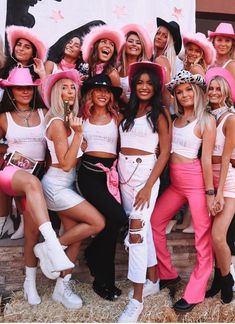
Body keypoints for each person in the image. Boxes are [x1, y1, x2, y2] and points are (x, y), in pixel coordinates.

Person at [0, 67, 74, 305]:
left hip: (37, 178)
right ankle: (52, 244)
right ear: (11, 91)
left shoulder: (45, 113)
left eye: (29, 88)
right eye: (19, 88)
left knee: (31, 233)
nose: (24, 92)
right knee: (31, 182)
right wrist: (8, 156)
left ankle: (29, 282)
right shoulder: (3, 117)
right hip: (13, 175)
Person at [151, 70, 216, 313]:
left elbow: (206, 159)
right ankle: (168, 274)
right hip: (176, 183)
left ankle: (195, 292)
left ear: (197, 92)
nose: (184, 94)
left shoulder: (206, 121)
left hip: (196, 181)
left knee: (202, 238)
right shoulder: (173, 119)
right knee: (154, 222)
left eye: (189, 89)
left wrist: (209, 193)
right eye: (179, 91)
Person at [40, 69, 105, 309]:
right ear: (57, 94)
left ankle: (61, 287)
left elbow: (72, 156)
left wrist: (80, 140)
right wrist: (78, 135)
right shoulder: (57, 123)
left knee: (76, 235)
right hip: (56, 187)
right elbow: (66, 164)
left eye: (72, 87)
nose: (69, 91)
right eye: (64, 87)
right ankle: (47, 248)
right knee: (97, 223)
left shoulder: (70, 120)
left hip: (67, 185)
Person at [117, 61, 171, 323]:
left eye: (150, 83)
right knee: (144, 229)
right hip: (122, 176)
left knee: (136, 233)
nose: (145, 87)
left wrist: (149, 185)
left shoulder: (160, 113)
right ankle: (153, 280)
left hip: (145, 177)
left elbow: (165, 153)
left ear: (156, 86)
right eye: (140, 82)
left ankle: (136, 301)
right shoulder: (127, 111)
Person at [76, 74, 128, 301]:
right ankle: (101, 275)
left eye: (107, 91)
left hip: (111, 175)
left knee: (113, 223)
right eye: (98, 90)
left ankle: (103, 279)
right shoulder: (81, 117)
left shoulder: (117, 117)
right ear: (91, 93)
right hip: (89, 175)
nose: (103, 94)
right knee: (116, 217)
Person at [205, 67, 235, 303]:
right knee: (210, 237)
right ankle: (218, 278)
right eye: (211, 88)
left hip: (228, 180)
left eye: (218, 89)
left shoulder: (230, 119)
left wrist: (219, 193)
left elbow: (226, 158)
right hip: (209, 179)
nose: (214, 92)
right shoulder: (206, 117)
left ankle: (227, 281)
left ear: (225, 93)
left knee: (218, 236)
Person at [118, 24, 152, 104]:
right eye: (130, 41)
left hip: (137, 111)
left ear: (142, 47)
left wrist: (125, 99)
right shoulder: (118, 67)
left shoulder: (145, 68)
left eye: (138, 43)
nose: (134, 44)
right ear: (124, 45)